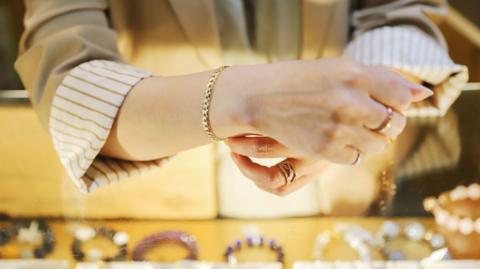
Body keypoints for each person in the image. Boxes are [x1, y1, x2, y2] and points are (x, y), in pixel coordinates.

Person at [15, 0, 467, 201]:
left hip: (338, 193)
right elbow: (68, 76)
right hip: (168, 205)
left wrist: (353, 107)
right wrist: (241, 99)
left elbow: (403, 14)